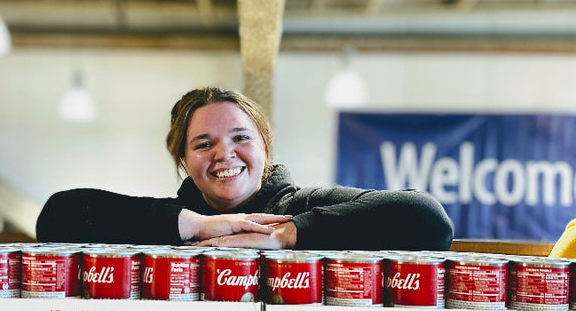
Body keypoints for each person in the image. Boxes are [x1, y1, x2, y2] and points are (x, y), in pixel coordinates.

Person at [36, 86, 454, 252]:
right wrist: (201, 227)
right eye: (204, 144)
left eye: (241, 138)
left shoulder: (302, 207)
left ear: (265, 147)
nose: (225, 154)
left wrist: (283, 236)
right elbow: (57, 217)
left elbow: (428, 220)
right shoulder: (170, 224)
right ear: (183, 159)